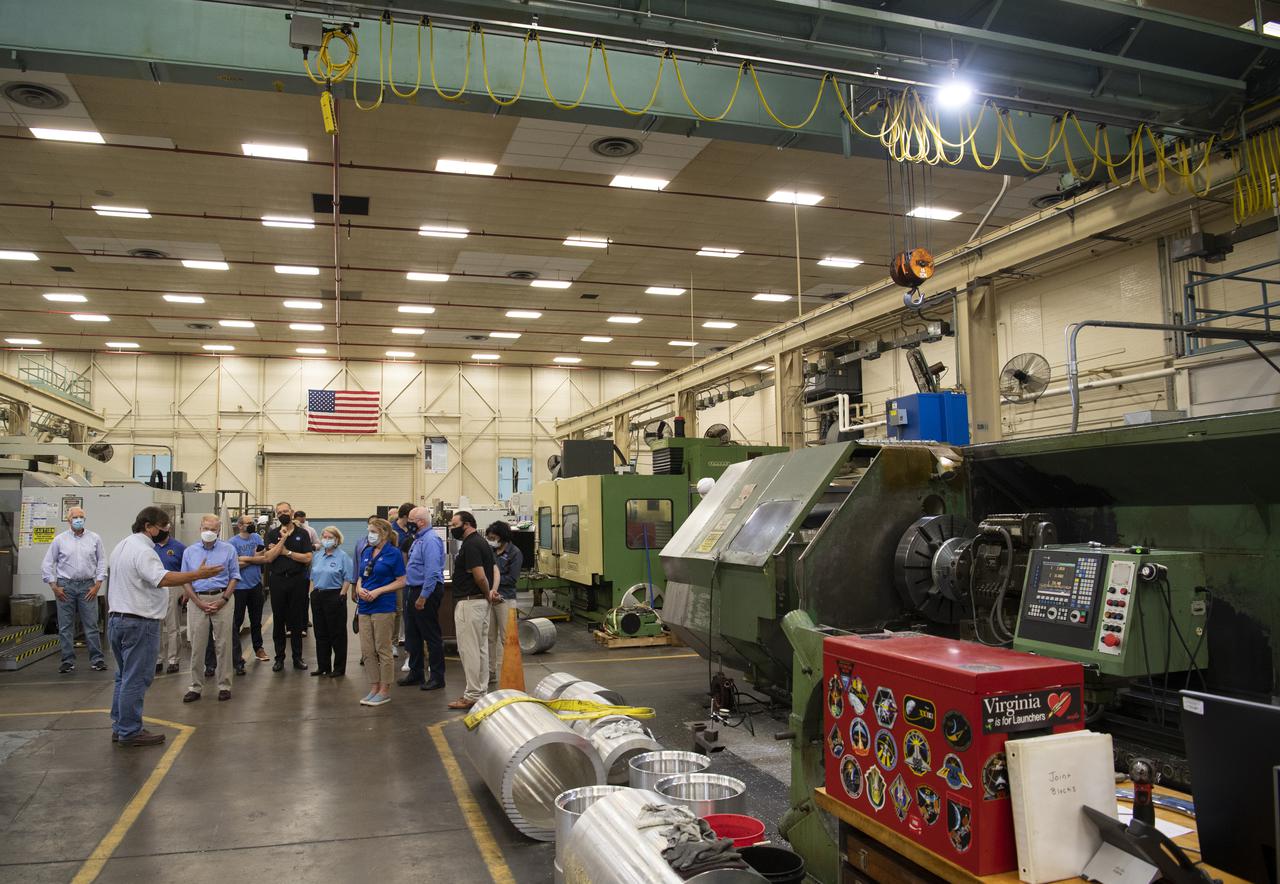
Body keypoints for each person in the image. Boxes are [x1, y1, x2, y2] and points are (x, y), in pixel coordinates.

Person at [108, 506, 222, 747]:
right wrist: (197, 575)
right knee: (136, 679)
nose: (166, 532)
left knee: (123, 677)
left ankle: (120, 725)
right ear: (148, 527)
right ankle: (130, 731)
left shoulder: (122, 546)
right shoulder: (144, 551)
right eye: (163, 527)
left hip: (117, 620)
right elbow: (164, 578)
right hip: (138, 622)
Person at [41, 506, 108, 674]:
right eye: (75, 517)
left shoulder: (94, 538)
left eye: (81, 517)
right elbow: (47, 563)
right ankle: (67, 661)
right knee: (65, 626)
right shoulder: (60, 540)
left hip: (88, 586)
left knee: (91, 625)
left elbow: (102, 561)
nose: (78, 520)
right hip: (65, 586)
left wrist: (98, 584)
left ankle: (97, 659)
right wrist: (54, 586)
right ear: (68, 520)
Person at [181, 515, 241, 703]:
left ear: (219, 530)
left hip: (222, 598)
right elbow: (185, 580)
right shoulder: (190, 552)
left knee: (223, 644)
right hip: (197, 600)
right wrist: (197, 602)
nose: (209, 532)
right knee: (197, 645)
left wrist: (224, 599)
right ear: (200, 528)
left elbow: (234, 577)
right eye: (206, 528)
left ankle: (224, 685)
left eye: (213, 529)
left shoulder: (228, 550)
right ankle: (195, 686)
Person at [447, 510, 497, 710]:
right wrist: (489, 595)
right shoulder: (481, 542)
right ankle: (480, 691)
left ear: (466, 524)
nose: (452, 529)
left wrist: (486, 592)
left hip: (470, 603)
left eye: (454, 525)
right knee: (481, 649)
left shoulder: (471, 545)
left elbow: (480, 575)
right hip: (479, 603)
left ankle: (473, 694)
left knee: (469, 650)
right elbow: (493, 570)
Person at [355, 518, 406, 706]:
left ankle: (385, 689)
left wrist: (379, 591)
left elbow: (401, 580)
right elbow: (361, 576)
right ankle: (374, 686)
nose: (370, 535)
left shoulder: (394, 554)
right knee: (367, 650)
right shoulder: (367, 551)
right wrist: (359, 588)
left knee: (382, 648)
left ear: (384, 533)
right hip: (365, 605)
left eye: (373, 531)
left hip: (383, 605)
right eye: (369, 531)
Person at [263, 502, 314, 672]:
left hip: (297, 580)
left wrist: (286, 552)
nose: (283, 514)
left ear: (292, 512)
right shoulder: (271, 534)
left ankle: (297, 657)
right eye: (280, 512)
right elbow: (269, 557)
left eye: (286, 511)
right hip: (277, 581)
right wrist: (283, 539)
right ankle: (279, 658)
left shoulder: (303, 534)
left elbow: (307, 558)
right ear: (276, 515)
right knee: (279, 620)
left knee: (296, 621)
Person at [400, 507, 445, 691]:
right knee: (413, 634)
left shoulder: (431, 540)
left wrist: (423, 596)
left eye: (410, 519)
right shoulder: (417, 540)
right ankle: (416, 672)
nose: (406, 522)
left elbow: (433, 571)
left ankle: (437, 677)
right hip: (412, 589)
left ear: (421, 522)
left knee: (430, 635)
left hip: (425, 591)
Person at [485, 520, 524, 691]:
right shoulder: (490, 551)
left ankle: (510, 672)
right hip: (490, 598)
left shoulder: (515, 553)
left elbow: (512, 578)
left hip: (505, 599)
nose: (490, 540)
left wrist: (494, 585)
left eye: (493, 537)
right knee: (489, 637)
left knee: (507, 638)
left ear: (501, 536)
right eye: (489, 537)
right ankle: (490, 672)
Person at [310, 526, 353, 677]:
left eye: (330, 537)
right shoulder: (318, 556)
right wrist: (312, 593)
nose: (326, 540)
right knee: (320, 633)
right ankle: (323, 666)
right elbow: (313, 576)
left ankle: (339, 668)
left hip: (335, 595)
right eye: (324, 537)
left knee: (337, 634)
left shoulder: (342, 557)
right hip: (318, 595)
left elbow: (348, 578)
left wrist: (342, 594)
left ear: (336, 540)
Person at [229, 515, 269, 674]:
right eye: (248, 523)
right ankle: (236, 656)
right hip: (238, 587)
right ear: (240, 526)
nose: (251, 525)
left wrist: (246, 559)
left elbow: (263, 558)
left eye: (252, 523)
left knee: (256, 620)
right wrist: (253, 558)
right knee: (237, 622)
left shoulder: (257, 537)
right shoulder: (233, 542)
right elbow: (234, 564)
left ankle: (258, 648)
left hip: (255, 586)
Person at [152, 526, 187, 674]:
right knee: (155, 627)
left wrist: (186, 591)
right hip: (154, 588)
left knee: (173, 626)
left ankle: (173, 660)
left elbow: (186, 570)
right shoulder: (150, 547)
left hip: (173, 588)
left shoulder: (179, 547)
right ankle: (157, 659)